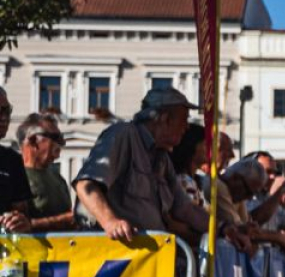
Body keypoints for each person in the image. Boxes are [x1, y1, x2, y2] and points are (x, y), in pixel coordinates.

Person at [71, 87, 203, 243]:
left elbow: (185, 208)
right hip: (115, 256)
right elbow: (86, 185)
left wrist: (222, 228)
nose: (186, 127)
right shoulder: (123, 135)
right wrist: (111, 222)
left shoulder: (162, 157)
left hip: (147, 257)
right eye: (184, 120)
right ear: (165, 119)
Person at [12, 115, 75, 233]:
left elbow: (71, 219)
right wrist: (65, 219)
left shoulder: (58, 178)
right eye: (56, 138)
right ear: (33, 141)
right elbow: (17, 226)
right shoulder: (13, 177)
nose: (61, 144)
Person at [0, 89, 34, 231]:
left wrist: (20, 221)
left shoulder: (12, 160)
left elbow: (23, 213)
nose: (4, 118)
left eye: (7, 111)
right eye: (0, 111)